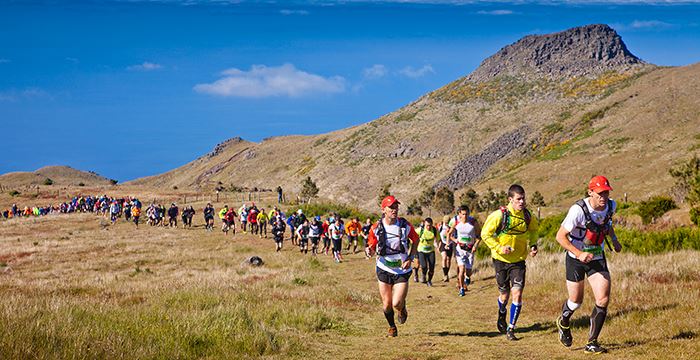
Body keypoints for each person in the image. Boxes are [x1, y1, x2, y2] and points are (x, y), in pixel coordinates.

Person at [555, 176, 622, 354]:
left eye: (606, 192)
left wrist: (614, 240)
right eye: (600, 193)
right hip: (575, 258)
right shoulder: (578, 210)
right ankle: (563, 321)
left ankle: (592, 342)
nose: (603, 196)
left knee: (603, 298)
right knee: (576, 301)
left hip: (597, 256)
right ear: (590, 192)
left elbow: (606, 224)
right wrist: (579, 253)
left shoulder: (611, 206)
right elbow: (560, 236)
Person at [481, 184, 539, 341]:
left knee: (517, 293)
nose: (522, 202)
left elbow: (534, 230)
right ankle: (501, 314)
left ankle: (511, 328)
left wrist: (533, 245)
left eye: (523, 199)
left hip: (519, 261)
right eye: (519, 199)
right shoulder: (499, 215)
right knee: (504, 294)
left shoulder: (527, 215)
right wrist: (499, 248)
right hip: (501, 260)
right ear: (510, 200)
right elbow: (485, 234)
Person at [366, 195, 419, 337]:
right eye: (391, 207)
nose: (394, 210)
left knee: (396, 303)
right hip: (384, 268)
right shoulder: (376, 227)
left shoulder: (404, 225)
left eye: (396, 207)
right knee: (387, 304)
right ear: (384, 210)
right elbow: (371, 244)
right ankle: (392, 327)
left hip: (402, 269)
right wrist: (370, 250)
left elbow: (416, 239)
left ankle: (402, 309)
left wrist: (411, 257)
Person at [447, 205, 481, 296]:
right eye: (463, 214)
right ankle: (461, 288)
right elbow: (449, 234)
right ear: (459, 214)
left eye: (466, 214)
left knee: (468, 272)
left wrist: (475, 246)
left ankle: (467, 277)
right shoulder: (456, 221)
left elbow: (479, 236)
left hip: (470, 250)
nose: (465, 216)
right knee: (461, 269)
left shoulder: (473, 222)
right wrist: (455, 241)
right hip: (460, 249)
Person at [416, 217, 439, 287]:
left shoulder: (434, 230)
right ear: (424, 224)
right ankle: (423, 275)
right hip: (421, 251)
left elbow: (438, 239)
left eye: (430, 225)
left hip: (431, 251)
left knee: (432, 267)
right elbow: (412, 235)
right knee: (424, 266)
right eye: (427, 225)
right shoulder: (420, 230)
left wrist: (438, 246)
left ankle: (429, 281)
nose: (428, 227)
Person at [438, 215, 454, 282]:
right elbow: (438, 235)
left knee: (448, 260)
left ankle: (446, 274)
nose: (447, 224)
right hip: (443, 243)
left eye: (448, 222)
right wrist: (438, 244)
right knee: (444, 257)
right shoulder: (441, 226)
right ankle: (445, 275)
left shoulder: (452, 226)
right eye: (446, 222)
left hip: (450, 244)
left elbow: (453, 235)